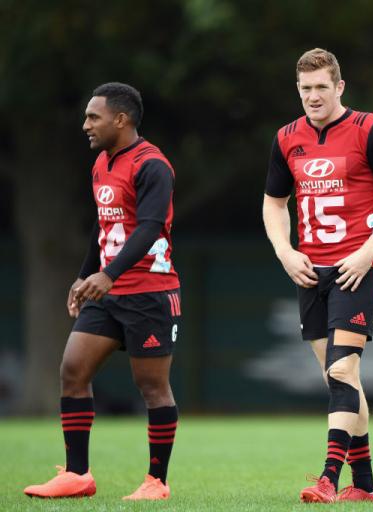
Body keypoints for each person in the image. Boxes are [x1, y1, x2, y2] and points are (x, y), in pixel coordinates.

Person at [263, 48, 373, 503]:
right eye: (306, 88)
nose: (313, 96)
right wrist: (284, 251)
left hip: (357, 269)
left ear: (339, 87)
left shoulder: (369, 130)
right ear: (298, 89)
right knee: (341, 381)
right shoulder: (286, 137)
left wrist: (368, 252)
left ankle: (328, 478)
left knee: (342, 367)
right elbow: (275, 202)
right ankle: (365, 485)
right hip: (310, 272)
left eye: (321, 87)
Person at [24, 82, 181, 501]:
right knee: (72, 371)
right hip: (108, 290)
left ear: (121, 119)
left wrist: (107, 274)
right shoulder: (101, 163)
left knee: (151, 387)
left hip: (150, 291)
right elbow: (105, 224)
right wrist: (84, 275)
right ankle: (77, 475)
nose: (86, 125)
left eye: (94, 117)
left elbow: (149, 227)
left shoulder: (153, 165)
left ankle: (156, 482)